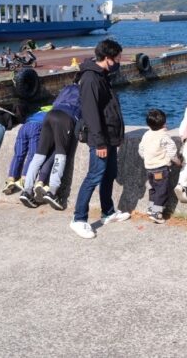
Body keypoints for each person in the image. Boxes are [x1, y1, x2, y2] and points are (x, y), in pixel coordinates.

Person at [70, 39, 129, 239]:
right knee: (94, 176)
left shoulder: (103, 75)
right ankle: (79, 219)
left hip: (110, 135)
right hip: (100, 138)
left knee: (109, 173)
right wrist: (100, 142)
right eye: (118, 57)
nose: (120, 60)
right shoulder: (91, 79)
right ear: (107, 58)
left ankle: (108, 212)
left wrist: (116, 136)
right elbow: (91, 113)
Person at [19, 84, 81, 211]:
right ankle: (52, 192)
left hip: (50, 115)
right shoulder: (85, 91)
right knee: (61, 154)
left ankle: (27, 191)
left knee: (39, 155)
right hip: (66, 118)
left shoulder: (67, 88)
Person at [139, 109, 182, 224]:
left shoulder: (146, 134)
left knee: (153, 189)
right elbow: (172, 152)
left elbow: (141, 150)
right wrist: (178, 162)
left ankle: (151, 208)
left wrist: (148, 159)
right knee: (161, 191)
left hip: (149, 168)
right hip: (161, 169)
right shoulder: (164, 136)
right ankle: (156, 213)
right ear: (164, 124)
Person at [2, 106, 53, 194]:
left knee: (18, 154)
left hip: (24, 126)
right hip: (36, 126)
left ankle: (11, 179)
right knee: (32, 154)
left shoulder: (38, 111)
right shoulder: (53, 110)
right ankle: (24, 178)